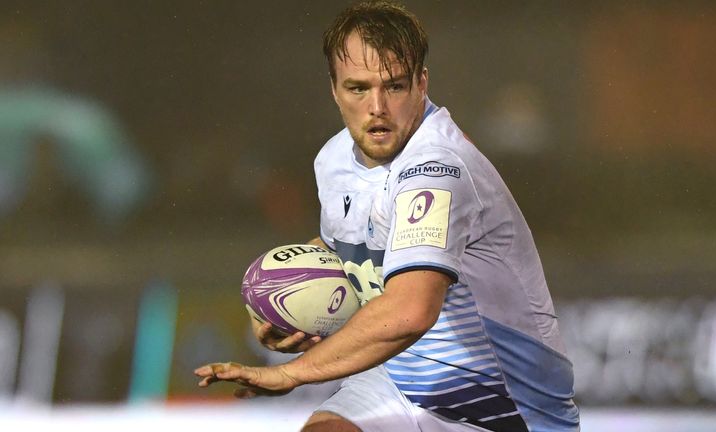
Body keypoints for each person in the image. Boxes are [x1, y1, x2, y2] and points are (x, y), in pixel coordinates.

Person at [195, 1, 580, 431]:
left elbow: (411, 310)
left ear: (422, 84)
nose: (377, 106)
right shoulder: (333, 159)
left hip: (497, 408)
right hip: (397, 382)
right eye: (358, 88)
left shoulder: (437, 167)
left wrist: (289, 373)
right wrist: (279, 302)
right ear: (334, 89)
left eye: (394, 87)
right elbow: (343, 249)